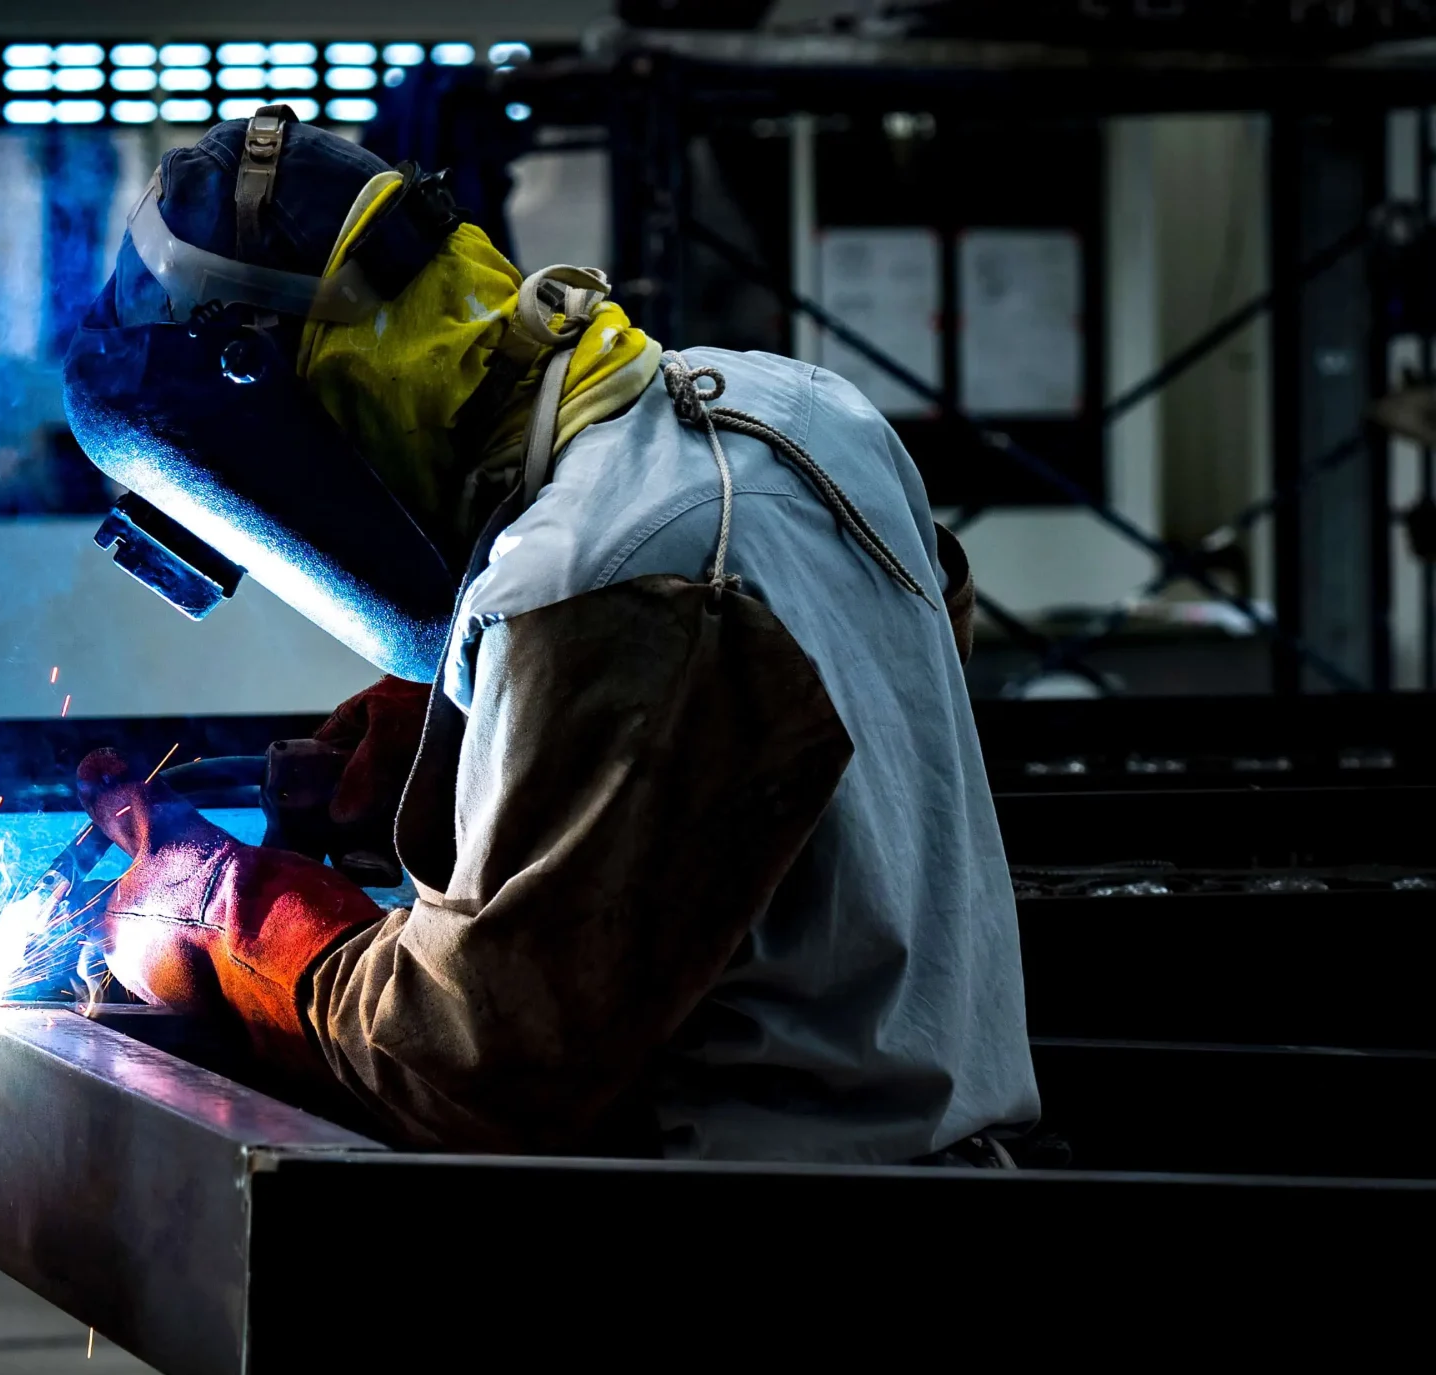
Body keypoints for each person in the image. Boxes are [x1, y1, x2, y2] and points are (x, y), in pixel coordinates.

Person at [58, 108, 1038, 1164]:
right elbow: (873, 665)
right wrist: (499, 734)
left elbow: (460, 1066)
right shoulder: (804, 413)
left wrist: (218, 911)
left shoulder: (596, 576)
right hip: (940, 1174)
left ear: (285, 395)